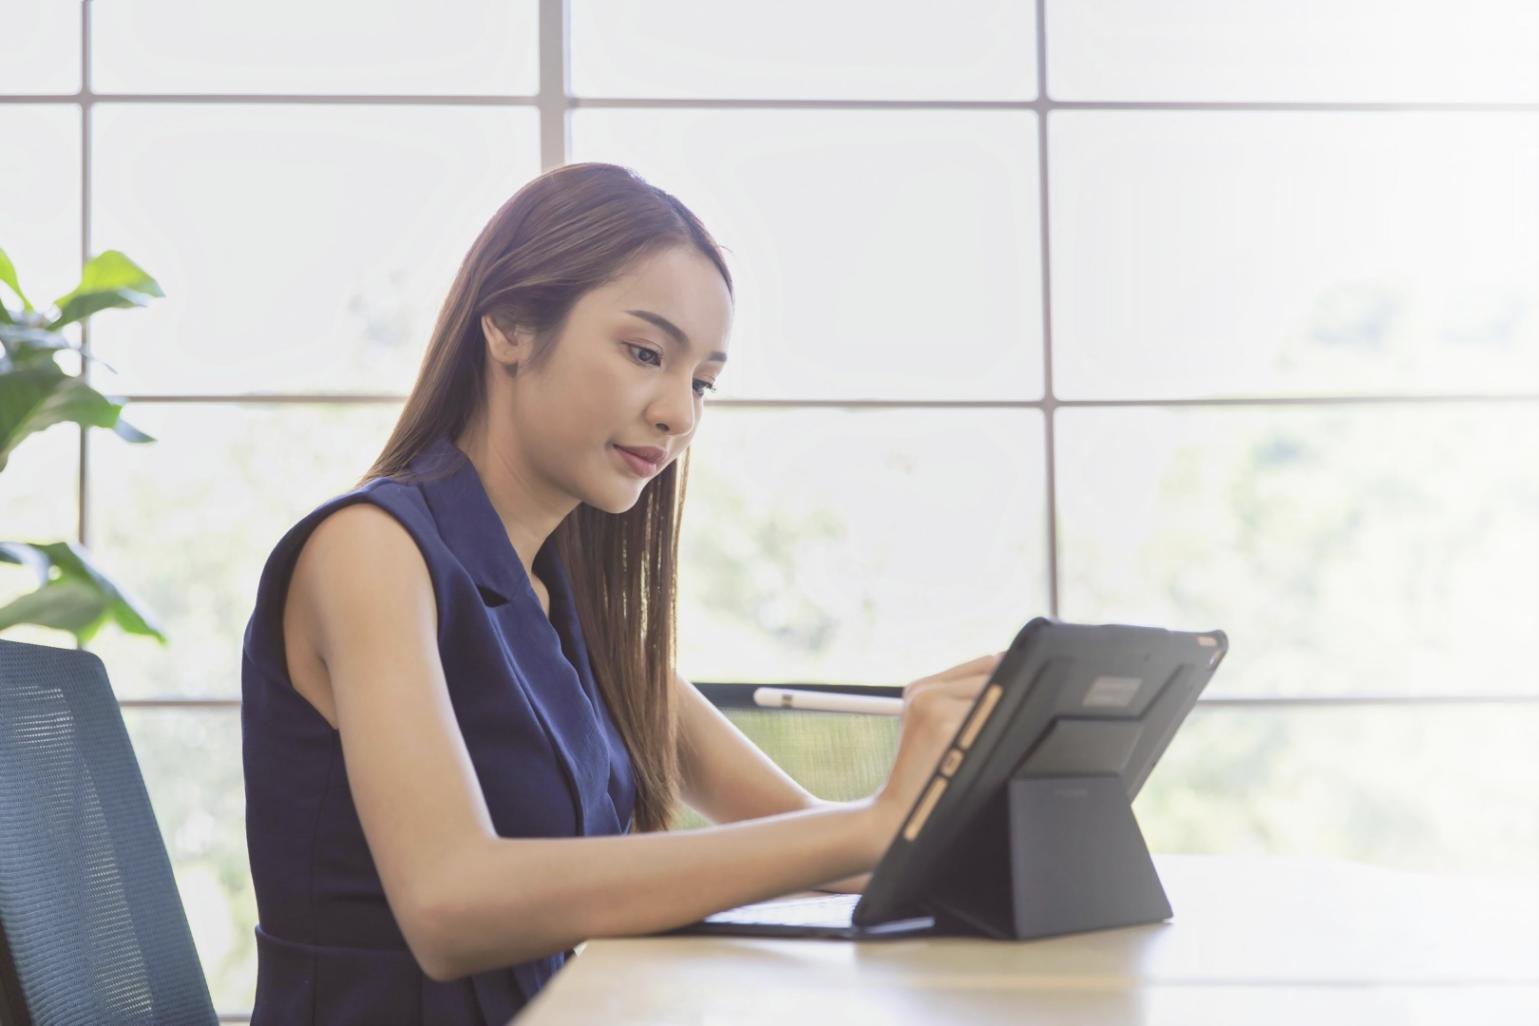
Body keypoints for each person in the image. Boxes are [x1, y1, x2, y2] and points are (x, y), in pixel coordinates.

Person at [240, 161, 1002, 1024]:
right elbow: (450, 904)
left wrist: (966, 792)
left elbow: (820, 842)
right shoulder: (369, 552)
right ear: (510, 327)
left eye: (702, 381)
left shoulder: (574, 608)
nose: (680, 412)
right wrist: (871, 826)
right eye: (646, 354)